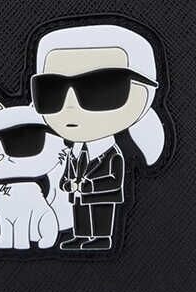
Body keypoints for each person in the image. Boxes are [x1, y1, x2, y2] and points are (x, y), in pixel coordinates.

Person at [31, 24, 165, 250]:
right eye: (51, 89)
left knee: (101, 218)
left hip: (102, 197)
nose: (70, 105)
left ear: (144, 92)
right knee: (81, 216)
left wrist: (88, 185)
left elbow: (114, 179)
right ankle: (82, 236)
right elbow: (67, 175)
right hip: (79, 196)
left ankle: (102, 238)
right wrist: (67, 184)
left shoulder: (112, 154)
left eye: (102, 88)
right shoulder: (73, 153)